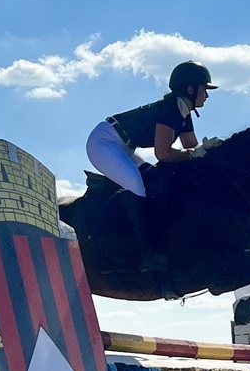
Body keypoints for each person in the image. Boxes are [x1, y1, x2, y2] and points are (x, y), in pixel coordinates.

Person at [85, 61, 216, 264]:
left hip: (124, 147)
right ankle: (144, 251)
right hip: (104, 142)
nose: (207, 95)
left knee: (151, 179)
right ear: (190, 89)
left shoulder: (183, 112)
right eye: (204, 90)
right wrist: (195, 153)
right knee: (136, 184)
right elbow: (163, 154)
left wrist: (211, 153)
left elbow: (192, 148)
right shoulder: (170, 109)